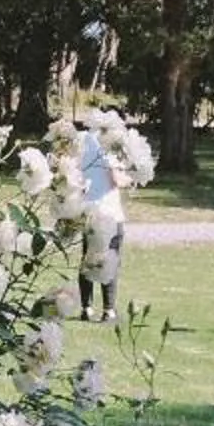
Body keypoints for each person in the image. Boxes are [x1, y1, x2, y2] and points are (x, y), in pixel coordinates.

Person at [75, 123, 125, 321]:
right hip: (110, 213)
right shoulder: (109, 145)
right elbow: (116, 179)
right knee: (110, 259)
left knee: (88, 259)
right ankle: (108, 309)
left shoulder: (85, 142)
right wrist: (130, 177)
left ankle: (86, 307)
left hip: (89, 211)